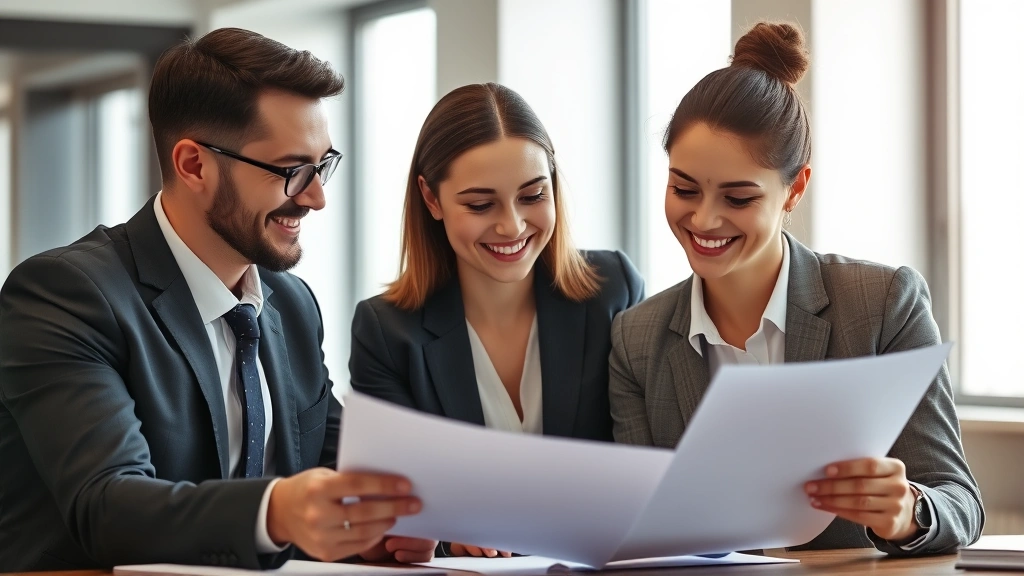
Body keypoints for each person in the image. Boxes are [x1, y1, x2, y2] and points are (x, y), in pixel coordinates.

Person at [0, 28, 434, 571]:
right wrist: (277, 510)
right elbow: (109, 507)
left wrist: (381, 527)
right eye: (292, 170)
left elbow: (336, 474)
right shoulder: (65, 294)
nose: (317, 197)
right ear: (194, 165)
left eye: (322, 166)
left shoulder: (291, 304)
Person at [608, 22, 983, 555]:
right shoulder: (636, 338)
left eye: (738, 198)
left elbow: (960, 500)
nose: (704, 219)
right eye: (683, 189)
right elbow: (639, 523)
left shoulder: (881, 303)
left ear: (795, 188)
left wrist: (908, 511)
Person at [350, 83, 644, 557]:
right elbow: (388, 514)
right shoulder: (386, 332)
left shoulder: (612, 290)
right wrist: (445, 533)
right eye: (480, 204)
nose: (512, 226)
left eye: (533, 195)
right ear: (431, 199)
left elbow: (642, 466)